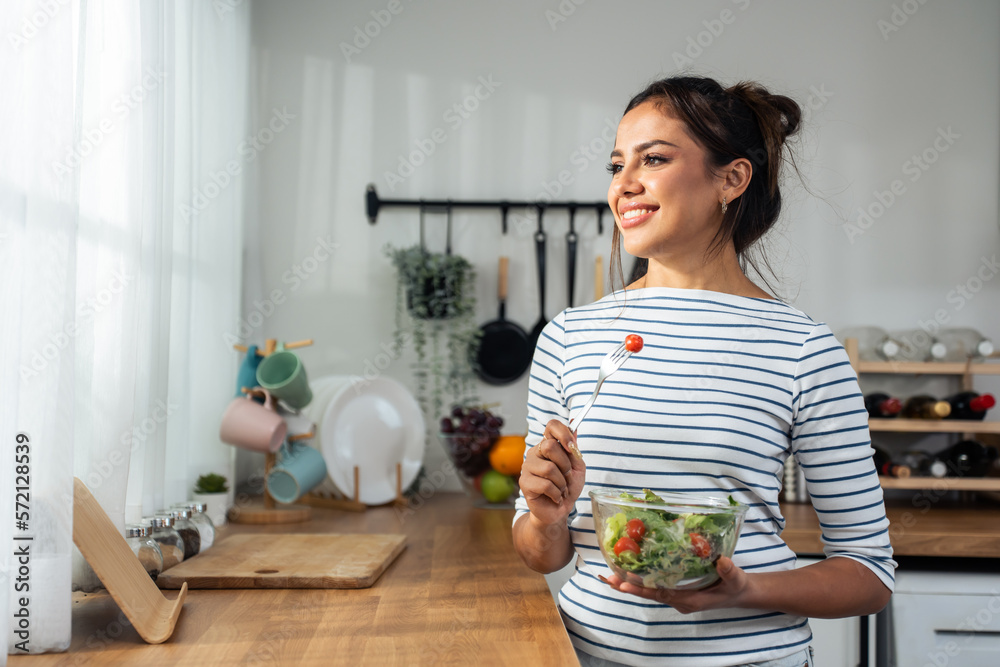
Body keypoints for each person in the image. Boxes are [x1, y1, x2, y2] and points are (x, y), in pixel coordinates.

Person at [512, 76, 895, 667]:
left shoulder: (803, 348)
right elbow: (543, 554)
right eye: (617, 165)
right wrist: (545, 516)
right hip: (587, 657)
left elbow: (868, 572)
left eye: (655, 159)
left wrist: (747, 588)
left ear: (731, 179)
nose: (624, 185)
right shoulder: (569, 335)